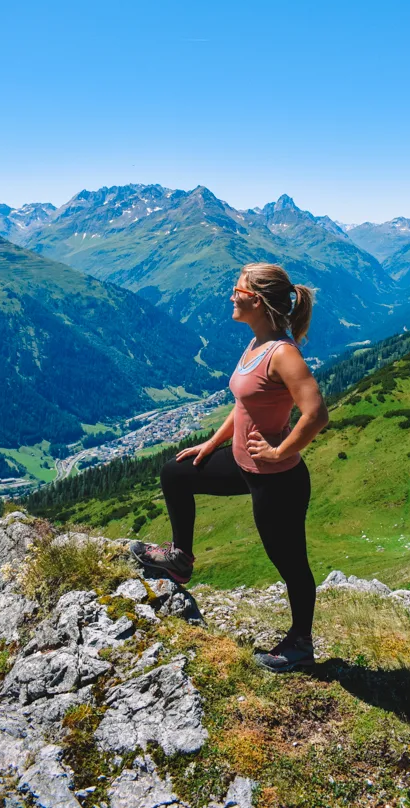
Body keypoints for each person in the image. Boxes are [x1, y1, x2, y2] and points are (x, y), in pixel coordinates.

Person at [130, 262, 329, 672]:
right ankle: (180, 558)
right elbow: (244, 405)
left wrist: (279, 452)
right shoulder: (256, 343)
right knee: (175, 473)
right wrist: (212, 443)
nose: (230, 297)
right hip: (243, 464)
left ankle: (300, 645)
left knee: (290, 562)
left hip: (276, 480)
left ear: (255, 300)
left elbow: (316, 414)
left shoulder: (282, 354)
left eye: (236, 290)